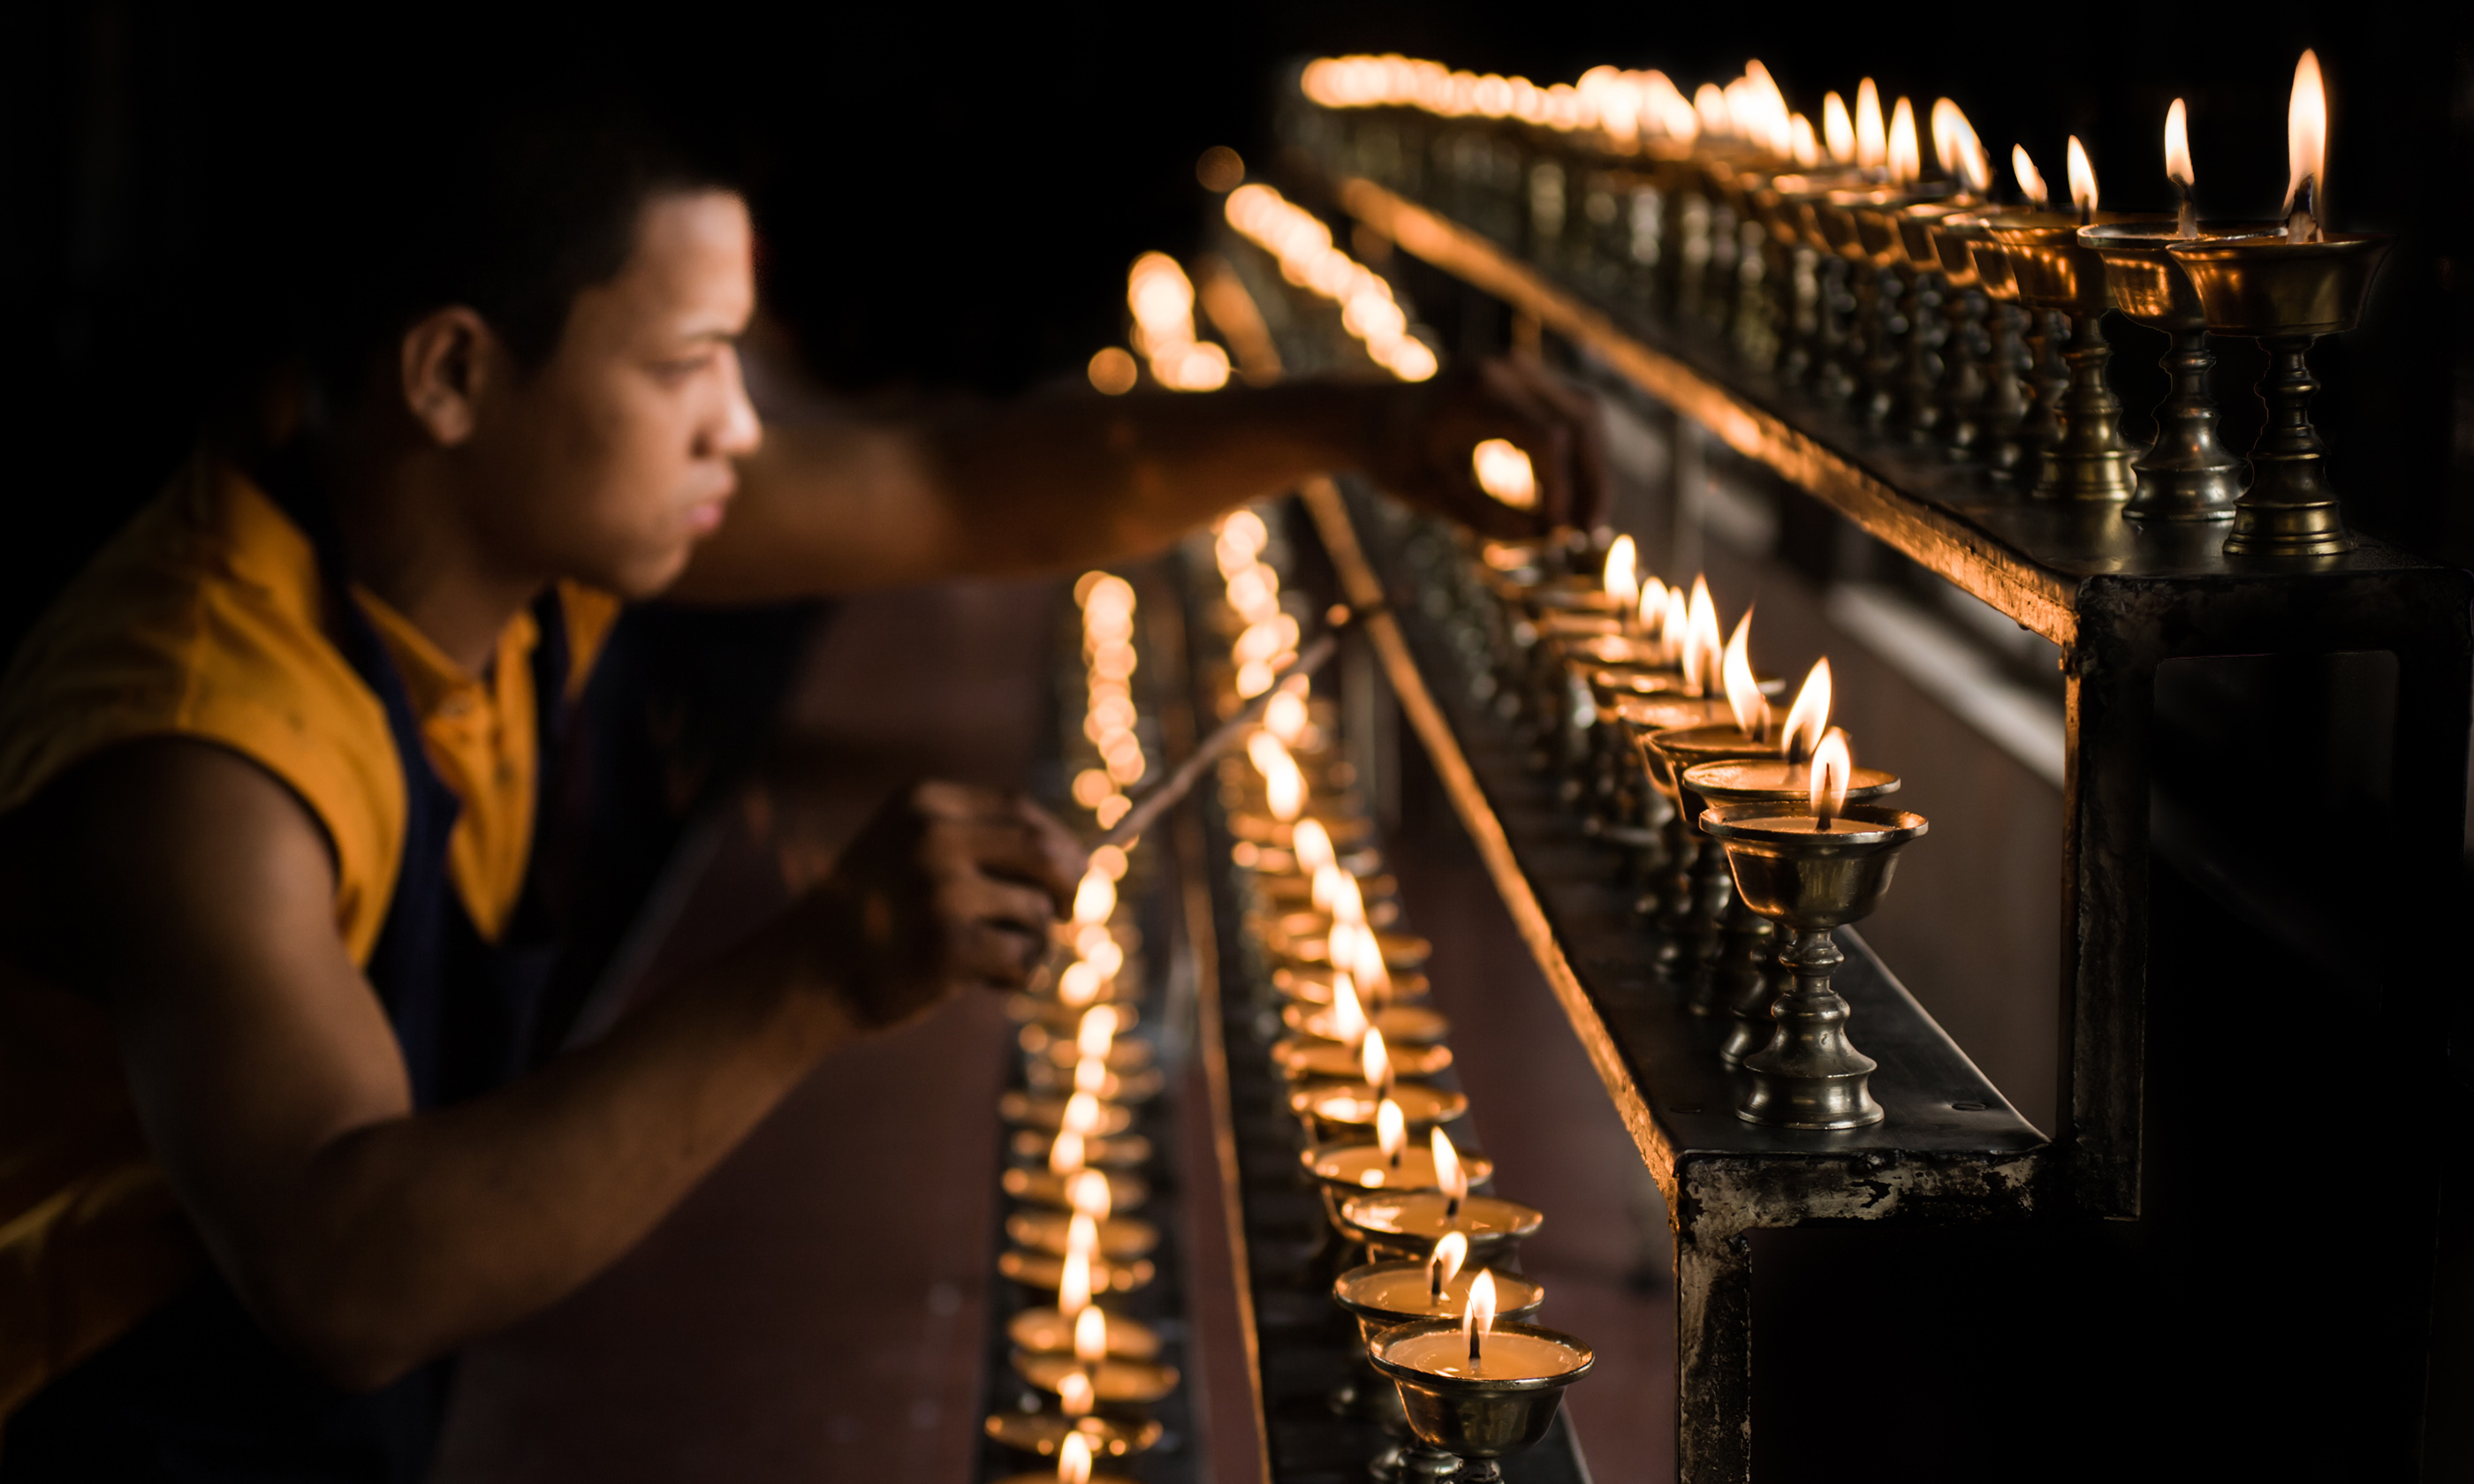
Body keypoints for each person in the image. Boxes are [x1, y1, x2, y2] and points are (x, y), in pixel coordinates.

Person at [0, 104, 1605, 1480]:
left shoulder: (477, 511)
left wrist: (1357, 424)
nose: (742, 426)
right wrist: (816, 975)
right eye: (693, 363)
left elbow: (942, 481)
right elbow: (348, 1274)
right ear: (451, 373)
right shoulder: (204, 757)